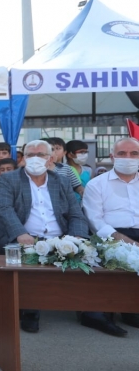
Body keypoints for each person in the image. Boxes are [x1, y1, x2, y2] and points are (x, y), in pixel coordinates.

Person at [0, 140, 97, 335]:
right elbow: (4, 209)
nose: (35, 159)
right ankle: (30, 310)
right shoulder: (9, 179)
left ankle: (91, 311)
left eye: (40, 155)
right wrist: (20, 233)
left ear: (50, 159)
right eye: (30, 155)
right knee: (26, 256)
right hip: (24, 236)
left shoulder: (61, 181)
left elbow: (76, 213)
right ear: (23, 159)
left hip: (59, 237)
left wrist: (78, 237)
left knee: (89, 253)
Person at [83, 137, 139, 332]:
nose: (128, 158)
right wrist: (124, 240)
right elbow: (95, 220)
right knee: (115, 257)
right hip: (112, 235)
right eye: (122, 153)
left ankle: (132, 309)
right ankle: (100, 314)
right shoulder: (97, 184)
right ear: (112, 156)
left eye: (134, 154)